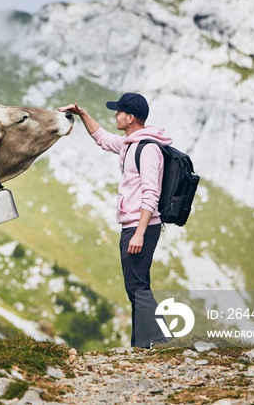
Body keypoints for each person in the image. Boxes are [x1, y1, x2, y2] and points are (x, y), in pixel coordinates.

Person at [59, 92, 171, 348]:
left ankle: (161, 341)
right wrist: (81, 113)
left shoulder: (148, 149)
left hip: (141, 227)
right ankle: (142, 345)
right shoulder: (130, 144)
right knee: (137, 287)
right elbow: (102, 138)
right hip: (133, 225)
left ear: (130, 118)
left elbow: (151, 194)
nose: (115, 115)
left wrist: (140, 233)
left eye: (119, 112)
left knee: (137, 288)